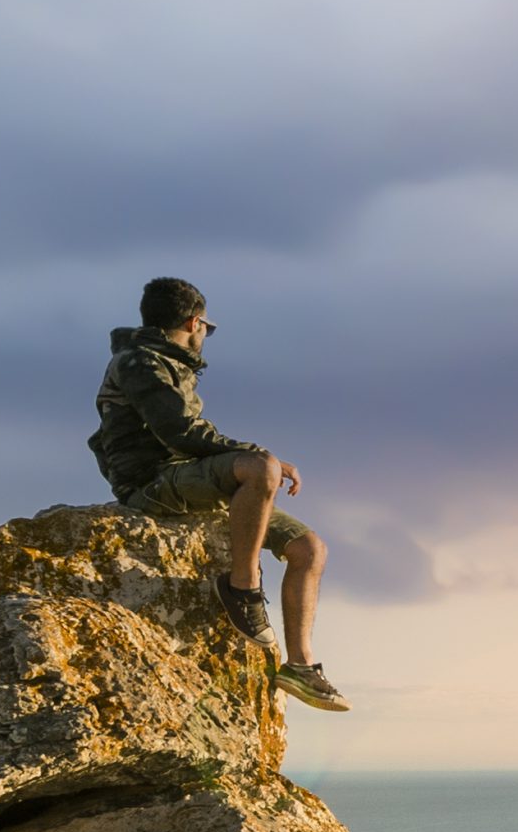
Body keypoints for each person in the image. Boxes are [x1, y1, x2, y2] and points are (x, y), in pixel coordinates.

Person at [88, 277, 351, 712]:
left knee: (309, 549)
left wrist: (256, 460)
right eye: (206, 329)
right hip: (149, 483)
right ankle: (243, 589)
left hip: (188, 479)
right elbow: (179, 432)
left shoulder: (168, 363)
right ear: (194, 322)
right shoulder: (138, 362)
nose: (204, 337)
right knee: (260, 468)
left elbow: (192, 437)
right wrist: (259, 458)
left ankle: (300, 666)